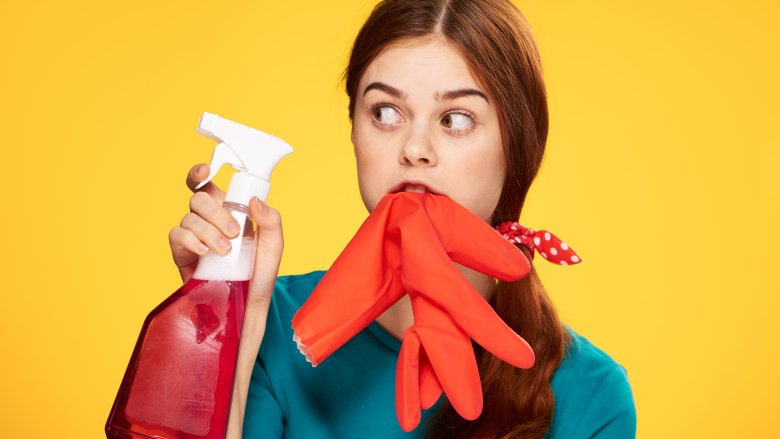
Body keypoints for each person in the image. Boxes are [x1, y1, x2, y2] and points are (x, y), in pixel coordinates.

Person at [168, 0, 637, 437]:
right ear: (353, 130)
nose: (414, 149)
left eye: (456, 119)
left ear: (517, 147)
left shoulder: (590, 395)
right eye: (386, 112)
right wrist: (228, 320)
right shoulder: (273, 325)